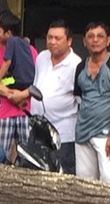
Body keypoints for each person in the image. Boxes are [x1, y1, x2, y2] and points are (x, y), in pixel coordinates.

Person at [72, 21, 110, 185]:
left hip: (106, 134)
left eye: (100, 36)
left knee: (109, 179)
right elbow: (79, 99)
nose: (95, 40)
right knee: (85, 181)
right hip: (83, 132)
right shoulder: (80, 67)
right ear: (84, 41)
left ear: (108, 41)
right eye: (90, 36)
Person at [33, 20, 82, 171]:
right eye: (49, 37)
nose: (52, 42)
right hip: (38, 128)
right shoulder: (42, 57)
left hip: (62, 133)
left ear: (69, 41)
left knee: (60, 176)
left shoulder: (76, 65)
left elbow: (81, 101)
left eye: (57, 38)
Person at [0, 12, 37, 158]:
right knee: (0, 155)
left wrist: (20, 95)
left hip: (26, 110)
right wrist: (10, 94)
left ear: (8, 31)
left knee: (29, 156)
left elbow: (38, 77)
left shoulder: (29, 49)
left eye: (0, 29)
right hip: (2, 111)